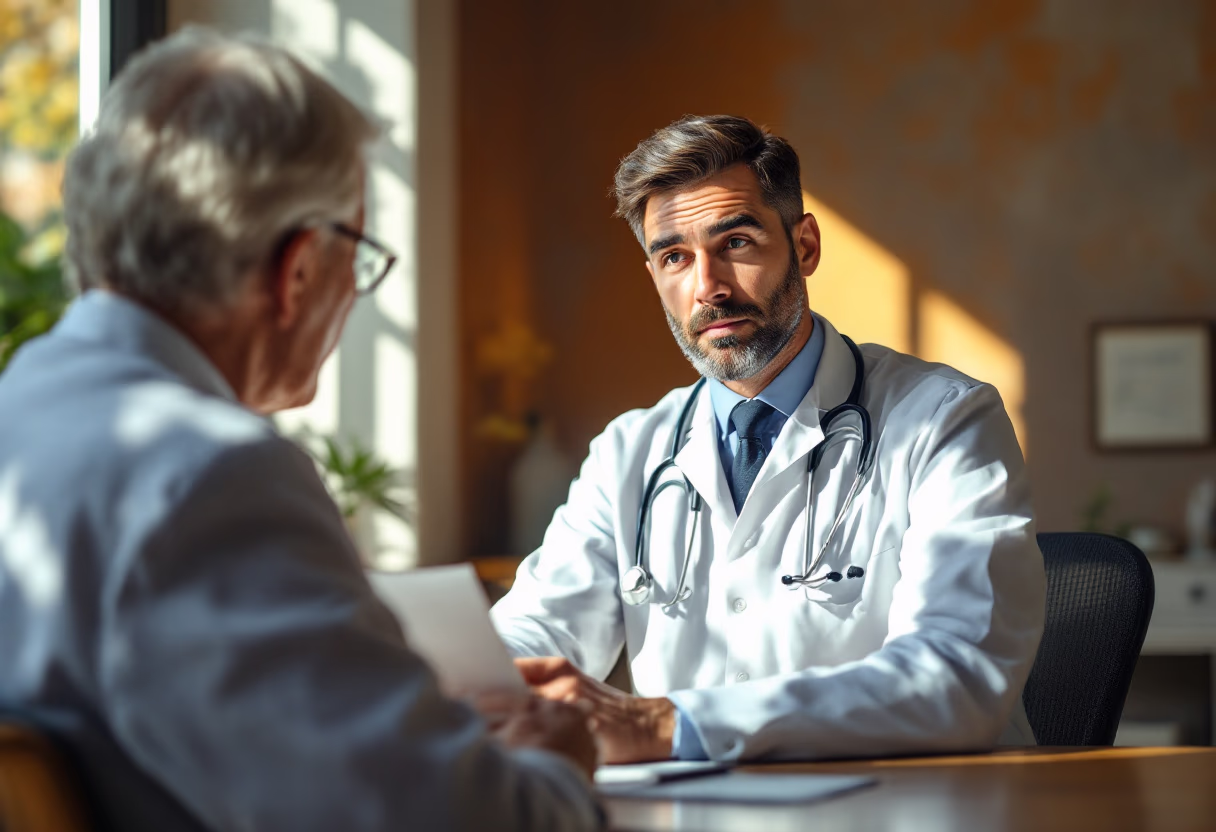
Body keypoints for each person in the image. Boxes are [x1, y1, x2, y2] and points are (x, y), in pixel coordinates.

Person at [0, 28, 602, 831]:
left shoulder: (23, 410)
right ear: (300, 269)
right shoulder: (207, 478)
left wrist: (392, 710)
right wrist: (553, 765)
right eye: (358, 255)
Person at [491, 114, 1047, 764]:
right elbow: (541, 624)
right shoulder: (630, 452)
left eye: (737, 243)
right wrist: (484, 681)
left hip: (910, 806)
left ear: (804, 245)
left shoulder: (945, 420)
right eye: (675, 257)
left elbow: (956, 674)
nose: (708, 288)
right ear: (654, 278)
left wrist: (665, 725)